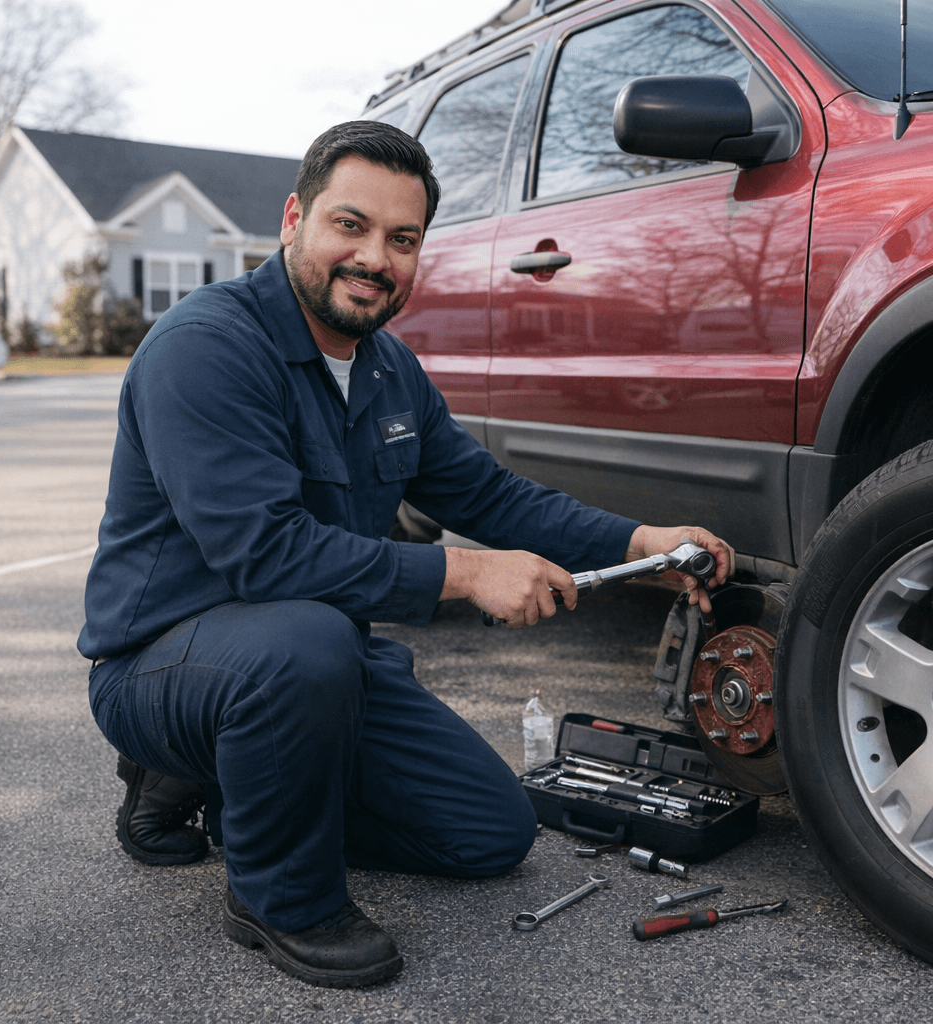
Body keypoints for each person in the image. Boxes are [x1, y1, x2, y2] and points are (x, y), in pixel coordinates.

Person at [79, 121, 734, 989]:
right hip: (166, 664)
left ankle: (234, 786)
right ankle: (278, 894)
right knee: (304, 642)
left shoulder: (390, 369)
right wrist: (468, 575)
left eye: (402, 239)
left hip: (315, 668)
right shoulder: (206, 348)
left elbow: (492, 497)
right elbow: (262, 554)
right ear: (293, 220)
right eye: (350, 226)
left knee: (489, 834)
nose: (373, 258)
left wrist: (640, 541)